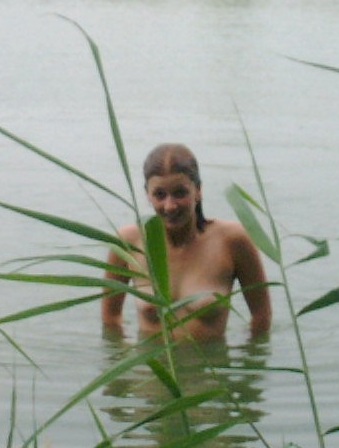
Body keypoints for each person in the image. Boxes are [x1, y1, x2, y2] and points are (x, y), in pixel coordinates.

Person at [101, 143, 272, 342]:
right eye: (160, 195)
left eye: (180, 193)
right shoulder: (129, 242)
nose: (170, 206)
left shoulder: (232, 241)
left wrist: (245, 357)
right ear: (148, 194)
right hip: (149, 362)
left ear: (197, 190)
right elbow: (111, 320)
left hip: (209, 363)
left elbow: (261, 318)